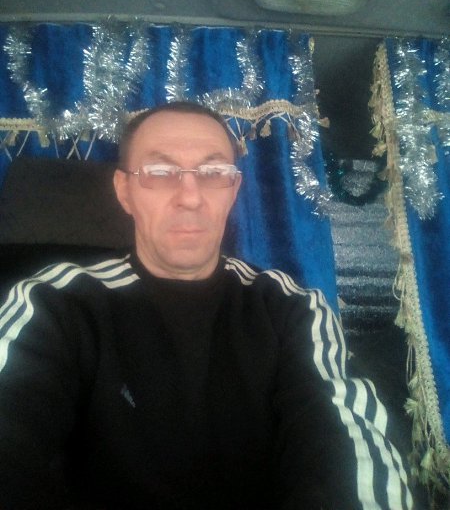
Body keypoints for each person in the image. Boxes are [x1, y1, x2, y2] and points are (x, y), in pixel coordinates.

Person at [0, 101, 413, 509]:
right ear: (125, 192)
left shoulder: (292, 308)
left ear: (232, 190)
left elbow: (349, 449)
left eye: (213, 174)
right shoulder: (54, 303)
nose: (190, 197)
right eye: (160, 173)